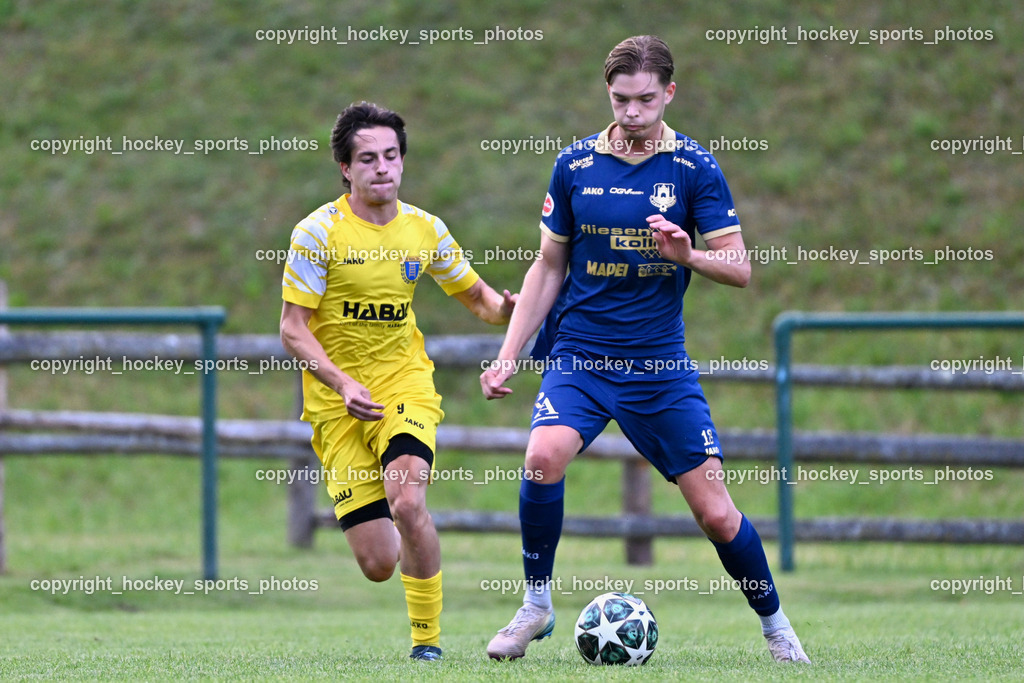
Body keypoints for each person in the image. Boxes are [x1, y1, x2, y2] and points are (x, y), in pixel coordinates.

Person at [480, 35, 810, 664]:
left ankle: (775, 625)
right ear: (608, 94)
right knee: (542, 455)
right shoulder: (575, 165)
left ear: (669, 93)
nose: (632, 112)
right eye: (621, 99)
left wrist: (688, 255)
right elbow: (548, 267)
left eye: (646, 100)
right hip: (581, 353)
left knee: (716, 513)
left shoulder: (694, 167)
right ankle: (536, 607)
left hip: (657, 366)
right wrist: (509, 354)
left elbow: (739, 269)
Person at [280, 102, 516, 662]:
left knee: (409, 504)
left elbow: (481, 301)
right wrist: (341, 384)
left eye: (391, 156)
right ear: (345, 168)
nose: (382, 167)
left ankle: (427, 643)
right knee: (378, 564)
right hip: (338, 405)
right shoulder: (318, 233)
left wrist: (511, 310)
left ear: (403, 161)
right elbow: (293, 330)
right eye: (368, 159)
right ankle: (401, 566)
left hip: (404, 387)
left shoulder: (425, 230)